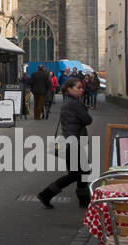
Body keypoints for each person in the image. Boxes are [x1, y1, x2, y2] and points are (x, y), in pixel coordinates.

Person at [37, 75, 94, 209]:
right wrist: (84, 111)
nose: (81, 90)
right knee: (77, 173)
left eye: (82, 88)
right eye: (78, 88)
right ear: (69, 89)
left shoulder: (68, 101)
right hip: (73, 142)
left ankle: (84, 201)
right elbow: (88, 120)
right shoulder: (75, 103)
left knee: (81, 172)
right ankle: (46, 194)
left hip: (71, 141)